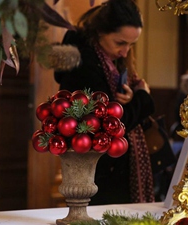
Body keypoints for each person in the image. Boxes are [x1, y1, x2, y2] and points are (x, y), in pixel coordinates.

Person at [54, 0, 155, 204]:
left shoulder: (107, 59)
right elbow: (110, 125)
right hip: (99, 172)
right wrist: (143, 98)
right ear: (100, 32)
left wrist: (131, 97)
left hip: (109, 168)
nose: (126, 52)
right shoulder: (85, 65)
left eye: (131, 44)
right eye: (120, 43)